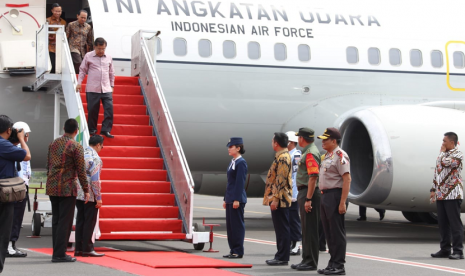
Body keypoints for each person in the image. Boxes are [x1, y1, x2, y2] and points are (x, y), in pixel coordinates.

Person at [46, 118, 89, 263]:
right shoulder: (76, 147)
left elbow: (49, 165)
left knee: (57, 221)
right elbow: (81, 170)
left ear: (64, 128)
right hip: (67, 188)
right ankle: (59, 254)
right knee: (65, 221)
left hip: (52, 186)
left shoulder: (53, 144)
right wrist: (86, 189)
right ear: (76, 131)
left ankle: (57, 251)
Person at [317, 128, 351, 275]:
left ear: (334, 141)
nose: (323, 142)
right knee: (328, 232)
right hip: (325, 195)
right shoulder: (326, 156)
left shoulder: (340, 155)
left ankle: (339, 265)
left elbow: (347, 179)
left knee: (337, 232)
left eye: (325, 139)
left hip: (335, 195)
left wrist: (343, 202)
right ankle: (332, 263)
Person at [0, 115, 30, 273]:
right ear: (8, 130)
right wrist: (21, 139)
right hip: (3, 197)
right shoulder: (3, 145)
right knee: (3, 235)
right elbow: (27, 155)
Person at [291, 128, 321, 271]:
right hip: (305, 192)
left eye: (299, 137)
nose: (298, 140)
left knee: (309, 229)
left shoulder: (310, 153)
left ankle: (310, 262)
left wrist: (308, 198)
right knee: (306, 228)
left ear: (302, 138)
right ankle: (306, 259)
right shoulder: (307, 152)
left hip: (309, 193)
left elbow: (313, 177)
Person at [430, 132, 464, 260]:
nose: (442, 143)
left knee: (455, 224)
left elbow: (445, 163)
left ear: (452, 142)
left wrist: (442, 153)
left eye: (444, 141)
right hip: (441, 194)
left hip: (453, 194)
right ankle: (445, 249)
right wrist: (433, 188)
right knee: (443, 223)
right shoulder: (442, 155)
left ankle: (458, 251)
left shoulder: (458, 155)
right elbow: (437, 171)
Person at [76, 37, 115, 139]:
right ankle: (92, 129)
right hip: (92, 88)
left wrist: (112, 85)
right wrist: (79, 83)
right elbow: (82, 70)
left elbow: (111, 73)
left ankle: (106, 130)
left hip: (106, 88)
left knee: (109, 109)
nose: (101, 51)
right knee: (93, 110)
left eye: (103, 49)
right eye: (99, 49)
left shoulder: (109, 57)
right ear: (94, 47)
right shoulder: (88, 56)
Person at [264, 132, 293, 266]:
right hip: (280, 198)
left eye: (272, 141)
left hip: (280, 199)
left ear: (276, 143)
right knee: (281, 228)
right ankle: (281, 255)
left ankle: (282, 257)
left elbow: (280, 181)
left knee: (282, 228)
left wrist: (275, 199)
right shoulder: (282, 156)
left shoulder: (282, 158)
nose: (271, 143)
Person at [75, 135, 104, 257]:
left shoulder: (81, 153)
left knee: (80, 220)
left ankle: (79, 248)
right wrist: (98, 196)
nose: (102, 148)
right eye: (102, 146)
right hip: (89, 193)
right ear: (98, 145)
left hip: (77, 191)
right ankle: (88, 248)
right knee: (89, 221)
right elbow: (95, 179)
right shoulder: (95, 158)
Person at [7, 122, 32, 258]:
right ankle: (10, 246)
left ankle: (10, 245)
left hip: (19, 187)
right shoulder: (15, 149)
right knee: (15, 219)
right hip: (17, 188)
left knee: (15, 218)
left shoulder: (19, 147)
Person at [223, 137, 247, 259]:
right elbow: (230, 182)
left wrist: (236, 199)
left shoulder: (241, 163)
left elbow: (239, 182)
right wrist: (225, 198)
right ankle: (233, 249)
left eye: (231, 147)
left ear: (238, 148)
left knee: (237, 225)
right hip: (230, 198)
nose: (229, 149)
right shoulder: (233, 162)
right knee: (230, 226)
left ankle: (238, 250)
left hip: (236, 199)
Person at [285, 131, 302, 256]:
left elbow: (295, 176)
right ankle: (291, 241)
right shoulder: (287, 154)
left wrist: (294, 194)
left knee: (294, 219)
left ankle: (296, 243)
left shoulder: (296, 155)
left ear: (291, 142)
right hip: (287, 193)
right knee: (289, 219)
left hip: (293, 193)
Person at [66, 10, 93, 74]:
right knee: (79, 62)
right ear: (77, 16)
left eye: (85, 18)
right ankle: (76, 76)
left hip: (83, 50)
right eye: (82, 17)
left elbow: (89, 40)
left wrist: (90, 51)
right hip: (73, 48)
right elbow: (66, 37)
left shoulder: (88, 27)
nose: (83, 19)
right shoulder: (71, 25)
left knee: (84, 65)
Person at [46, 3, 66, 74]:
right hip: (50, 47)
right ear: (52, 11)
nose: (58, 13)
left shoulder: (63, 22)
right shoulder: (47, 21)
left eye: (59, 11)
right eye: (56, 11)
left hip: (60, 47)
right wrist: (49, 37)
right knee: (52, 66)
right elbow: (43, 34)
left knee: (60, 67)